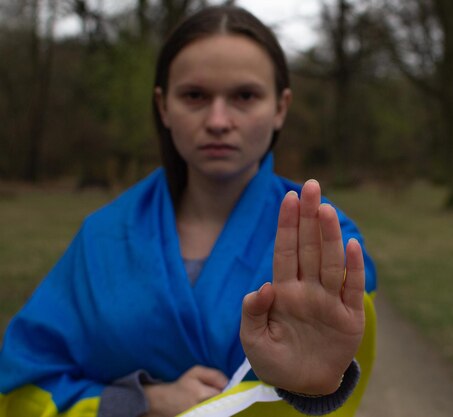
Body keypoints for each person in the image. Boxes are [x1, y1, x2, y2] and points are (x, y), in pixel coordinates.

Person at [0, 5, 377, 417]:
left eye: (244, 96)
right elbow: (22, 385)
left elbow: (338, 383)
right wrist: (139, 401)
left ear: (280, 108)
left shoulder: (327, 241)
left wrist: (314, 389)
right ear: (164, 106)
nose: (218, 120)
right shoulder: (101, 238)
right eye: (195, 95)